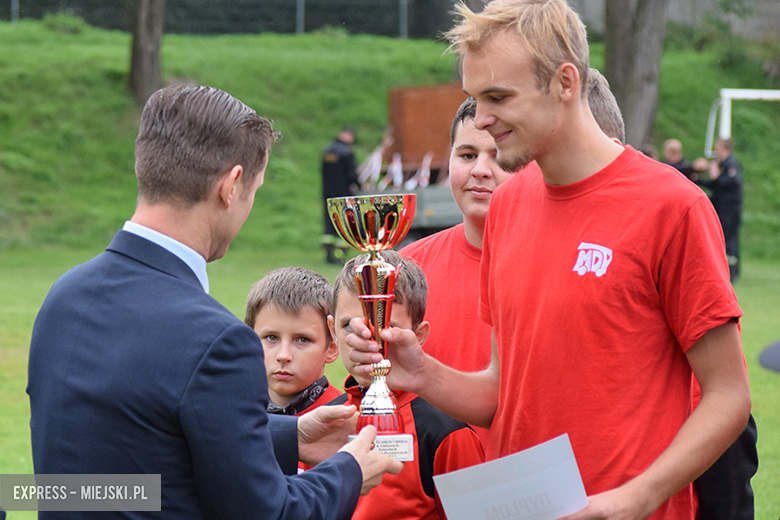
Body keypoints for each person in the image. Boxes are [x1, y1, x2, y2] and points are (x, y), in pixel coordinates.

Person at [345, 2, 751, 520]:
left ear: (564, 82)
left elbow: (728, 397)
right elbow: (501, 392)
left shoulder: (671, 205)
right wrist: (422, 373)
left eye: (497, 97)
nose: (482, 120)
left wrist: (639, 496)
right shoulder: (510, 206)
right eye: (473, 98)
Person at [27, 84, 402, 520]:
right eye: (254, 191)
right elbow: (271, 513)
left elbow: (102, 477)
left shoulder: (64, 296)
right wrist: (350, 471)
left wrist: (288, 435)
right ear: (231, 185)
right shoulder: (217, 341)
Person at [399, 69, 624, 444]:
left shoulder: (576, 263)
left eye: (500, 158)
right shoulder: (408, 267)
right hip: (431, 489)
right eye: (467, 155)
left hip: (546, 480)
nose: (481, 171)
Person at [328, 250, 484, 520]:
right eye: (350, 327)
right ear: (332, 331)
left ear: (418, 335)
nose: (367, 340)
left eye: (384, 327)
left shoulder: (446, 432)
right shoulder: (320, 422)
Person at [245, 266, 342, 416]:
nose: (284, 356)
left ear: (332, 348)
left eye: (302, 340)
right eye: (271, 337)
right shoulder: (234, 413)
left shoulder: (345, 419)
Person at [695, 137, 744, 282]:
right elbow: (716, 185)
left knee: (729, 239)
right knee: (723, 238)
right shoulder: (722, 164)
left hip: (730, 209)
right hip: (722, 208)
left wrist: (716, 175)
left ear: (724, 148)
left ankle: (732, 272)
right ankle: (725, 270)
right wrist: (698, 180)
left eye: (718, 148)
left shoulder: (731, 164)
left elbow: (730, 182)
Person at [322, 126, 359, 264]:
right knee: (343, 224)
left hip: (328, 194)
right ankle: (340, 255)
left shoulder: (328, 151)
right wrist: (358, 185)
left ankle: (328, 254)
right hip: (343, 195)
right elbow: (351, 174)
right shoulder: (347, 152)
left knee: (328, 223)